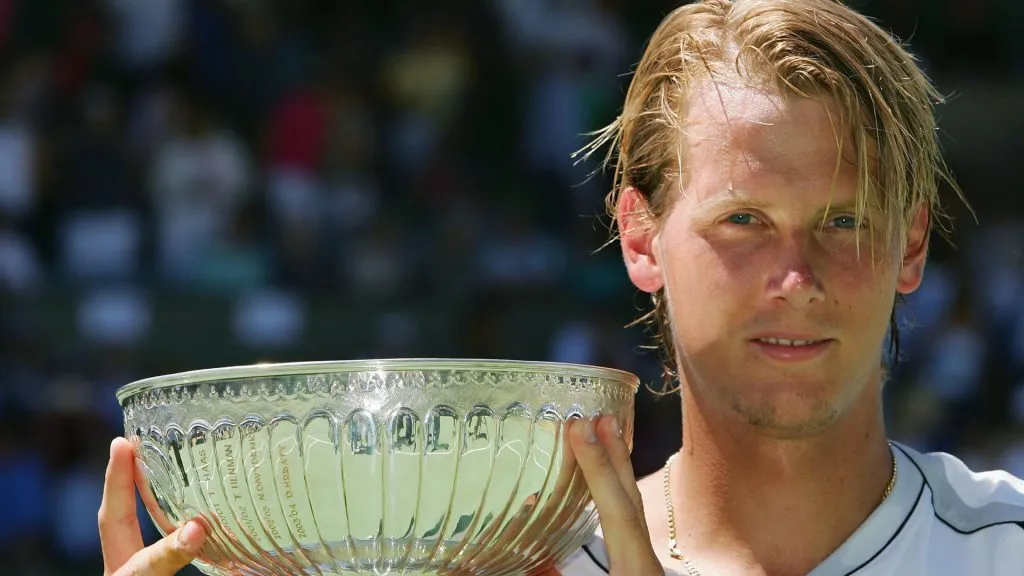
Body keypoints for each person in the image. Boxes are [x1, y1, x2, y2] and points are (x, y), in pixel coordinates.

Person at [99, 1, 1024, 575]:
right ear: (639, 236)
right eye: (742, 219)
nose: (797, 278)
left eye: (844, 221)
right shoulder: (505, 571)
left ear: (911, 247)